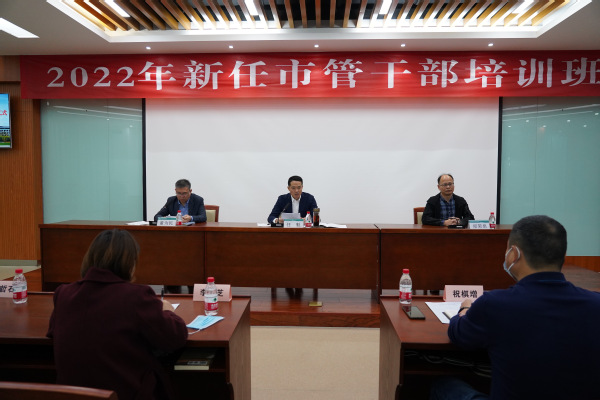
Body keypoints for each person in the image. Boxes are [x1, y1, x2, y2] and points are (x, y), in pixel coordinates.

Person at [431, 215, 600, 400]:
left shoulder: (494, 304)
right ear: (563, 256)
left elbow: (458, 333)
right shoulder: (595, 304)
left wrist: (465, 310)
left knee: (444, 386)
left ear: (514, 254)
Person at [47, 229, 188, 400]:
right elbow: (175, 336)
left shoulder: (63, 293)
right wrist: (167, 311)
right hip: (125, 393)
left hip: (72, 395)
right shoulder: (136, 296)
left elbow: (54, 332)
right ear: (129, 263)